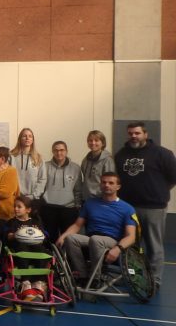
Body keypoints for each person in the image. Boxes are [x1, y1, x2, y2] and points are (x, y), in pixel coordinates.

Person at [115, 121, 176, 288]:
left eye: (137, 133)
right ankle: (132, 277)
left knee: (154, 246)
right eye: (131, 133)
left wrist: (157, 191)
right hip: (128, 208)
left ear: (145, 134)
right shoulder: (121, 154)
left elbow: (173, 178)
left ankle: (154, 280)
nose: (134, 136)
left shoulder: (162, 154)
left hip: (153, 208)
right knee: (131, 246)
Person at [57, 173, 137, 284]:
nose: (106, 185)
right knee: (70, 238)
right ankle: (82, 276)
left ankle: (95, 278)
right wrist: (63, 236)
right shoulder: (90, 203)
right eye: (104, 182)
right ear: (100, 184)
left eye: (111, 183)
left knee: (96, 239)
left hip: (112, 241)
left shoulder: (127, 208)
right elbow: (77, 225)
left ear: (118, 187)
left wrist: (118, 249)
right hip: (91, 238)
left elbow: (131, 236)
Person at [6, 195, 50, 301]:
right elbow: (8, 236)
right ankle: (25, 283)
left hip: (35, 251)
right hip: (19, 252)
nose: (15, 208)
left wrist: (41, 237)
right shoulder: (12, 222)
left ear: (28, 210)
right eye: (14, 206)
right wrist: (17, 234)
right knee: (22, 245)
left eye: (19, 206)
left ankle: (38, 283)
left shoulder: (36, 222)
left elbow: (45, 236)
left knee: (41, 248)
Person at [42, 141, 82, 242]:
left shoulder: (75, 168)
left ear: (66, 151)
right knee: (50, 239)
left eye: (61, 150)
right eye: (56, 150)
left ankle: (66, 253)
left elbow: (78, 189)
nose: (59, 153)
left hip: (68, 209)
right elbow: (41, 187)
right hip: (49, 208)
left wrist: (78, 206)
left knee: (68, 239)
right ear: (52, 151)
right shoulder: (45, 166)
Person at [10, 127, 46, 200]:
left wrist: (33, 196)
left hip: (32, 198)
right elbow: (7, 177)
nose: (27, 138)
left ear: (32, 140)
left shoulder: (38, 158)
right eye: (24, 136)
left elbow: (42, 179)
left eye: (30, 136)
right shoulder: (12, 156)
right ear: (20, 139)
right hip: (15, 197)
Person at [80, 130, 115, 200]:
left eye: (96, 140)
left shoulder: (107, 160)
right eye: (90, 140)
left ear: (103, 143)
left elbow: (109, 181)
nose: (93, 143)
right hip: (86, 198)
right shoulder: (85, 160)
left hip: (100, 199)